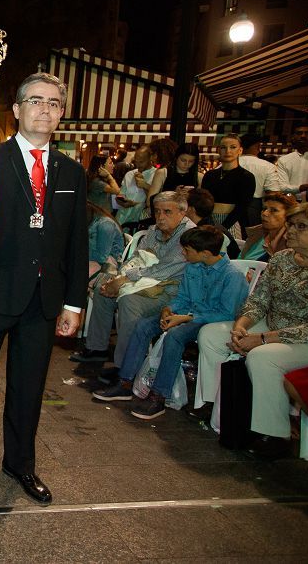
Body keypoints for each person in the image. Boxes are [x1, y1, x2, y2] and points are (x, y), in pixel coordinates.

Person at [0, 72, 87, 506]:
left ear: (62, 113)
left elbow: (76, 240)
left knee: (29, 388)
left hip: (44, 300)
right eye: (36, 100)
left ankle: (20, 463)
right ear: (18, 109)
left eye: (54, 103)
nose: (46, 109)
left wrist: (74, 302)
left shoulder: (72, 171)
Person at [196, 201, 308, 460]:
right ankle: (215, 405)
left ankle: (276, 434)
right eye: (292, 225)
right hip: (274, 327)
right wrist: (242, 326)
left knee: (264, 356)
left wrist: (261, 339)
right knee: (211, 334)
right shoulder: (284, 258)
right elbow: (259, 301)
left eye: (301, 226)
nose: (291, 231)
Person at [93, 226, 248, 419]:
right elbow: (182, 297)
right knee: (143, 326)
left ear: (206, 253)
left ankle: (159, 395)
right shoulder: (194, 266)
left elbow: (226, 313)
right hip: (186, 314)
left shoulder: (232, 276)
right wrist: (169, 309)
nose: (183, 253)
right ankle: (125, 382)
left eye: (187, 250)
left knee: (175, 336)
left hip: (211, 322)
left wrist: (186, 318)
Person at [73, 191, 195, 365]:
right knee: (103, 287)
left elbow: (163, 270)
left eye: (167, 211)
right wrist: (119, 277)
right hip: (142, 281)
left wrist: (123, 280)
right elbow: (136, 257)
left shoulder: (188, 235)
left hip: (170, 290)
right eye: (157, 211)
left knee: (129, 302)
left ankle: (124, 366)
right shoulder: (154, 230)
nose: (160, 216)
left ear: (182, 212)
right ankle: (96, 349)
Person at [200, 134, 256, 236]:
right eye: (223, 147)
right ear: (218, 150)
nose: (228, 151)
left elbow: (242, 207)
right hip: (209, 221)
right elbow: (203, 202)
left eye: (233, 147)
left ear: (240, 150)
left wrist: (223, 227)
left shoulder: (246, 177)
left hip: (233, 222)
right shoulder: (210, 175)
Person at [238, 133, 283, 225]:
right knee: (254, 236)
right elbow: (273, 193)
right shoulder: (267, 166)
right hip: (254, 208)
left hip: (227, 208)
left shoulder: (226, 165)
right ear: (259, 147)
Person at [239, 193, 297, 261]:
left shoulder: (290, 243)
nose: (264, 213)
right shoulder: (257, 232)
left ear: (289, 215)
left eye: (274, 210)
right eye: (264, 208)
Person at [114, 145, 154, 227]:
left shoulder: (156, 175)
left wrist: (145, 186)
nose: (138, 165)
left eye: (141, 162)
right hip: (121, 219)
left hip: (140, 222)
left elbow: (155, 201)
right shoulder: (130, 174)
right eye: (136, 162)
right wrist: (121, 201)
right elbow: (121, 193)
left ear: (150, 159)